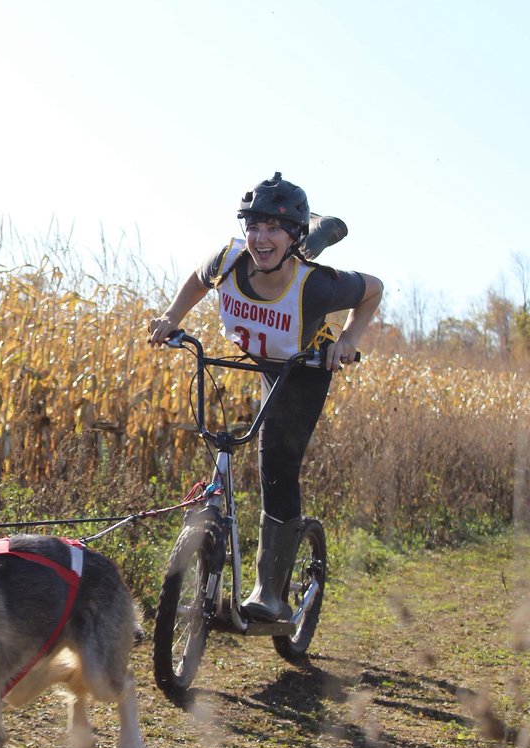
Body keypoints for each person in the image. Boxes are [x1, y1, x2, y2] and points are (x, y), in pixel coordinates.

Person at [146, 172, 384, 622]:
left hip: (304, 368)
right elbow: (199, 280)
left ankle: (271, 593)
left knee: (275, 463)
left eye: (273, 228)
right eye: (253, 226)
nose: (259, 237)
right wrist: (171, 316)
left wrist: (348, 339)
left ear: (291, 233)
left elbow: (373, 289)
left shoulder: (318, 286)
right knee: (225, 442)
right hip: (263, 359)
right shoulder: (229, 260)